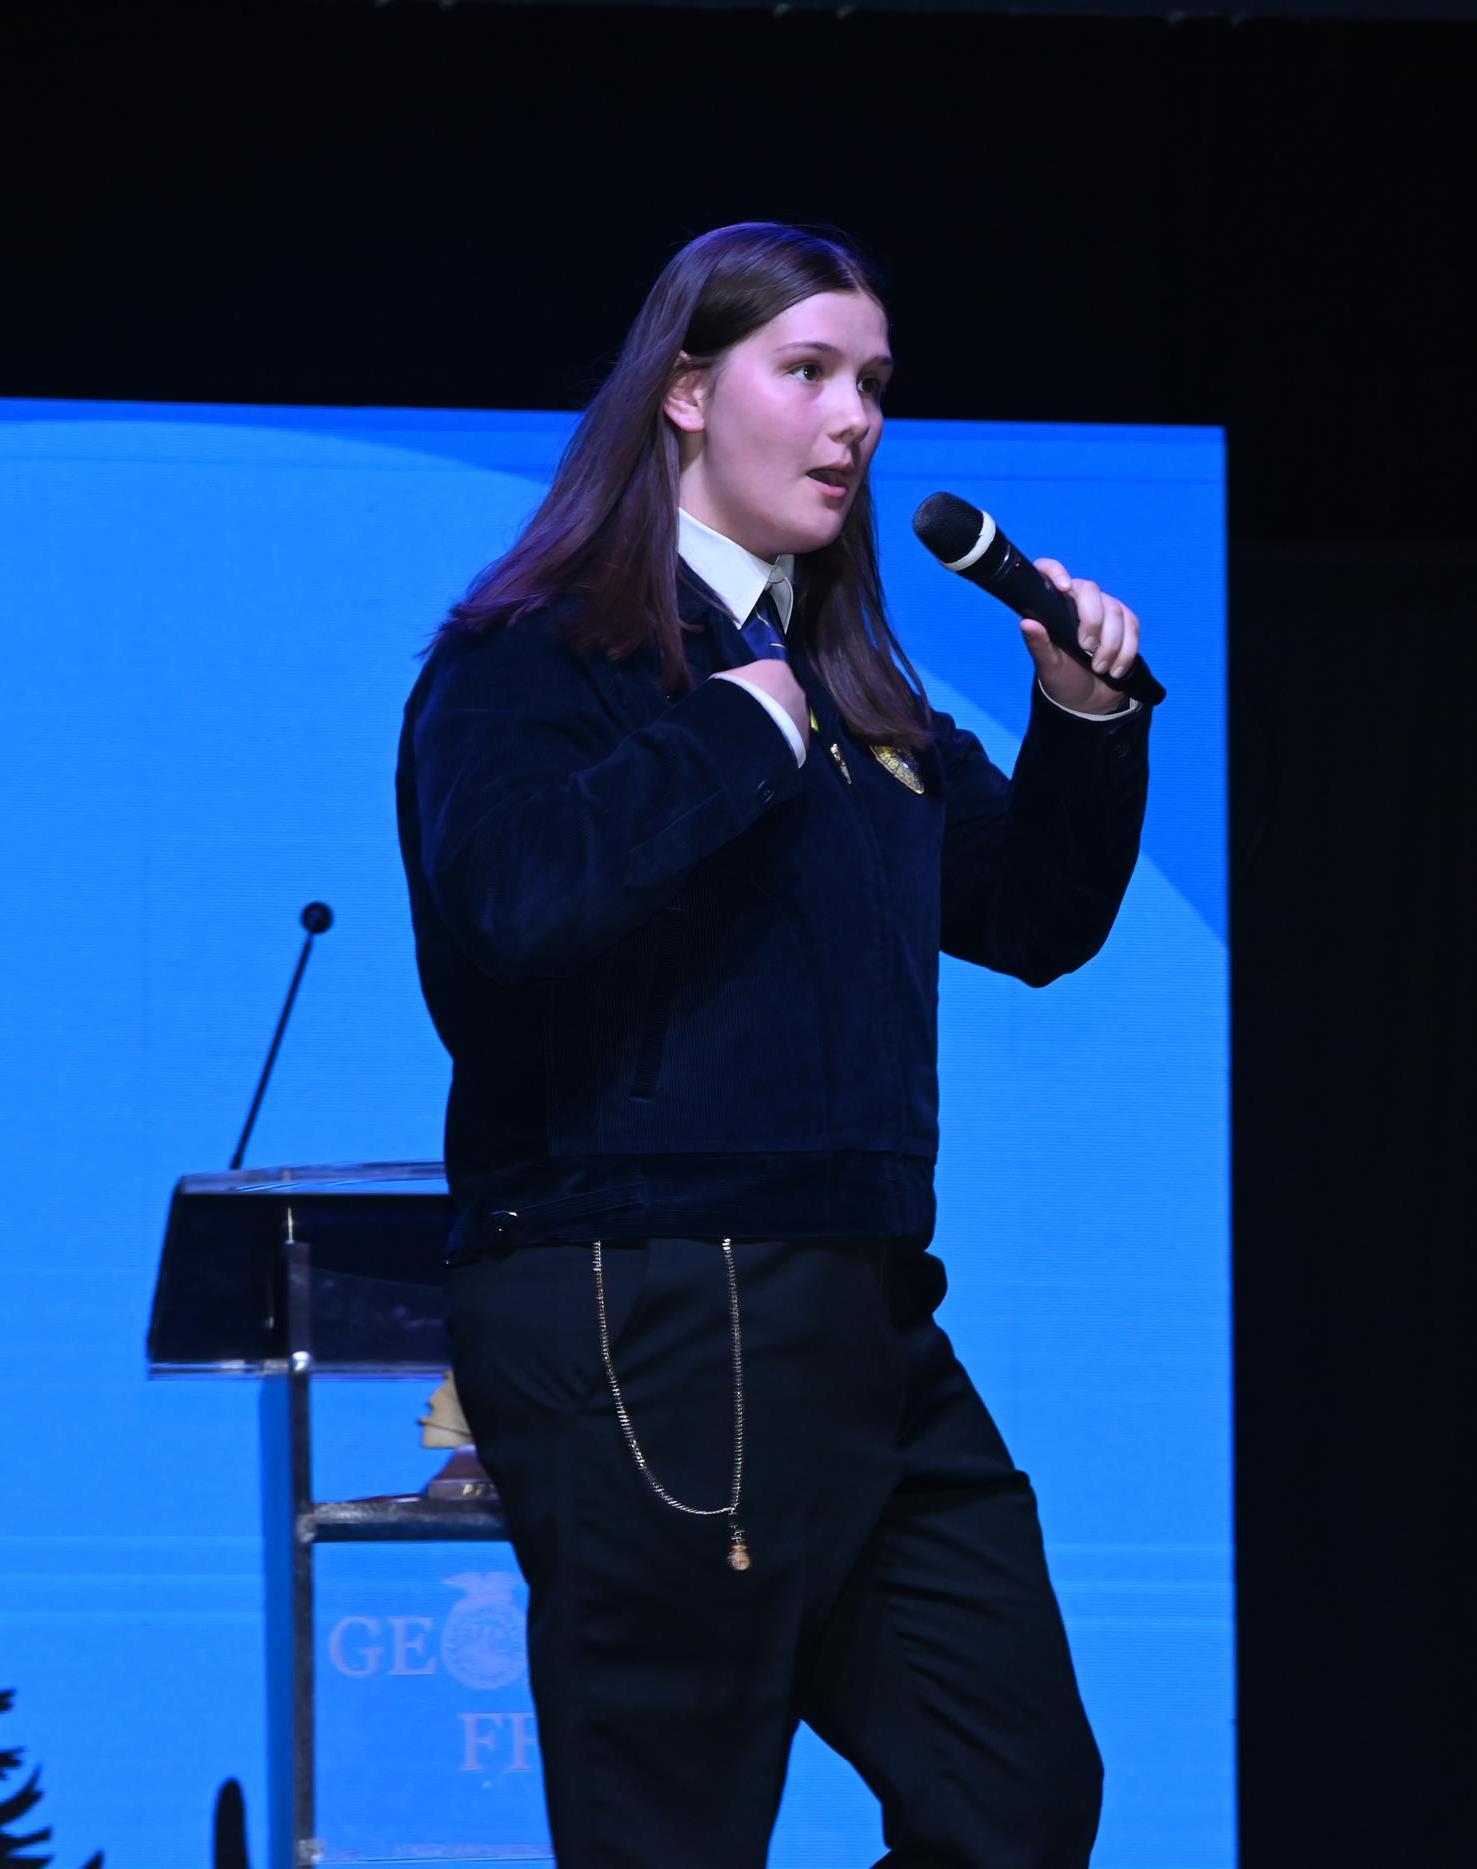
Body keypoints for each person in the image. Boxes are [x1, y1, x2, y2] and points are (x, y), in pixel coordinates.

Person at [394, 221, 1153, 1869]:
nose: (852, 418)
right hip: (651, 1301)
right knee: (674, 1830)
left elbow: (1033, 915)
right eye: (805, 371)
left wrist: (1086, 722)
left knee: (1015, 1795)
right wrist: (734, 729)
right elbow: (514, 901)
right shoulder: (535, 657)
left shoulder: (851, 688)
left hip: (863, 1304)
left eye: (872, 382)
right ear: (684, 391)